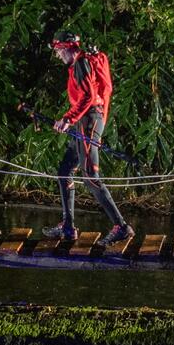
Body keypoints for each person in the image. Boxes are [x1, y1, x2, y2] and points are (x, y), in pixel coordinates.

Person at [43, 31, 134, 246]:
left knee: (90, 177)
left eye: (57, 50)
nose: (57, 55)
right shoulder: (80, 64)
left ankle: (121, 226)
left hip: (89, 120)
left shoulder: (81, 63)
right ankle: (67, 227)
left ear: (66, 48)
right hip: (86, 120)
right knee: (65, 171)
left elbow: (88, 97)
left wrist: (68, 118)